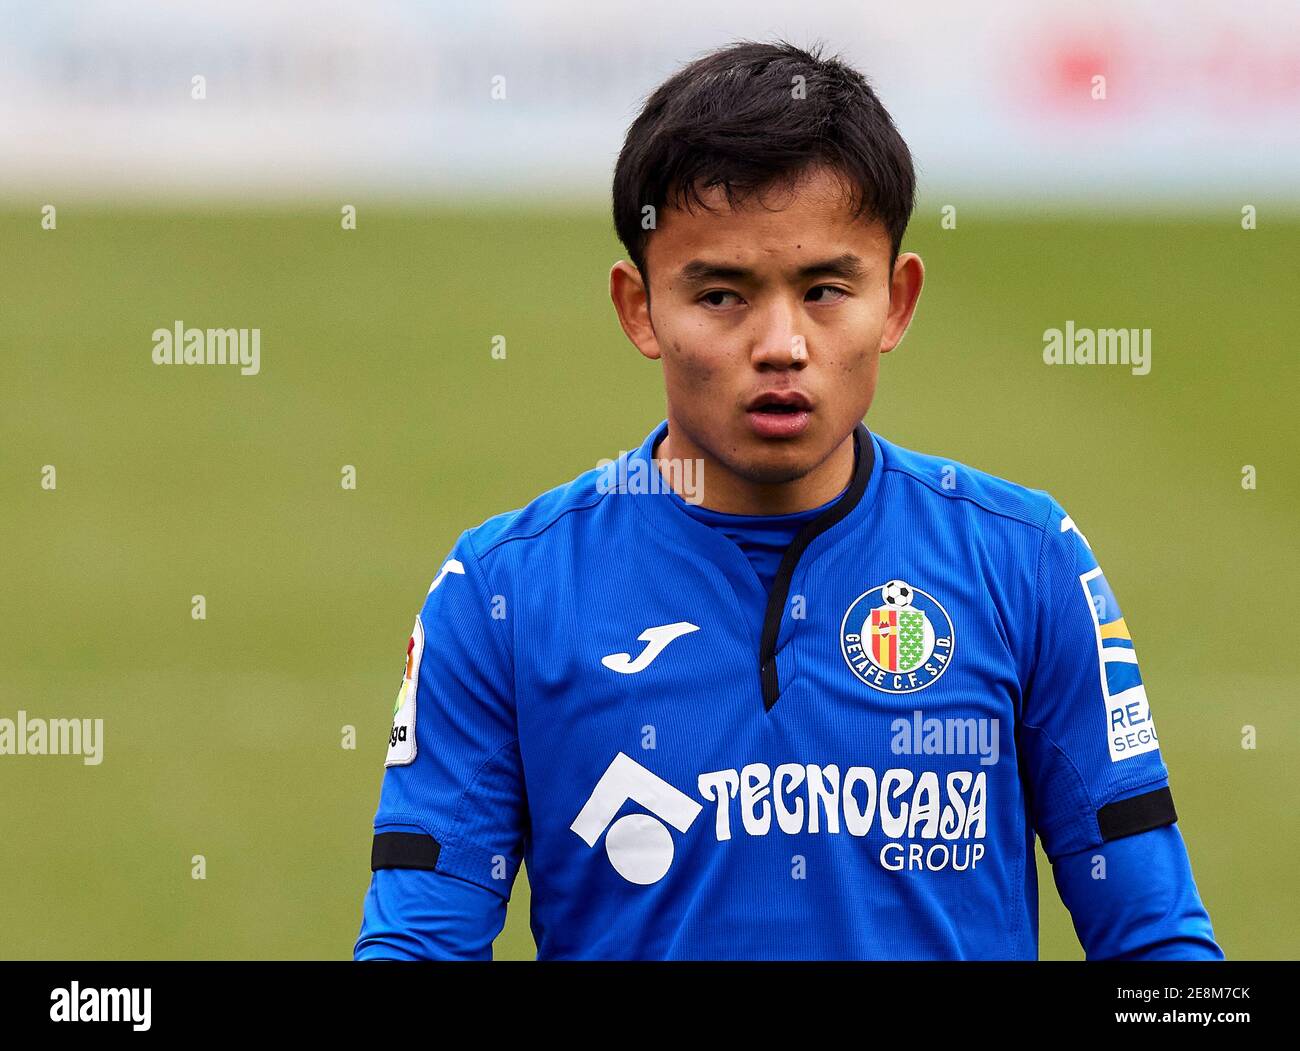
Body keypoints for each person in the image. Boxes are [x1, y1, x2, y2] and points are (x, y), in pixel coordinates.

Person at [353, 39, 1222, 960]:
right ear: (639, 306)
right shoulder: (504, 591)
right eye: (722, 294)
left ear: (896, 300)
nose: (781, 344)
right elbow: (419, 944)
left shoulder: (1026, 560)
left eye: (824, 290)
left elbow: (1155, 942)